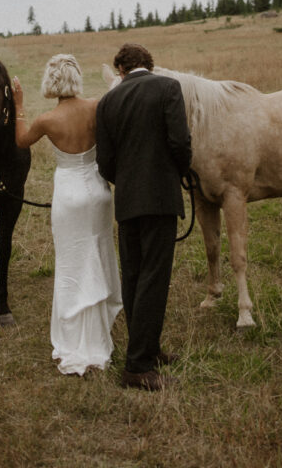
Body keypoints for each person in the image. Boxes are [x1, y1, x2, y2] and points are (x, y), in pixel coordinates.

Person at [13, 54, 122, 376]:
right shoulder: (96, 107)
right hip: (100, 192)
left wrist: (18, 105)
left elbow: (21, 141)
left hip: (69, 194)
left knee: (72, 261)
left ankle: (76, 338)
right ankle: (100, 328)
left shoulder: (48, 120)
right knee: (99, 254)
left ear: (51, 82)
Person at [96, 43, 191, 391]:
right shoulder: (168, 88)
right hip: (160, 197)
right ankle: (137, 367)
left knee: (134, 276)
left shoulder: (108, 101)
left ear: (120, 69)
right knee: (154, 277)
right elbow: (180, 142)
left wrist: (130, 182)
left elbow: (104, 161)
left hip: (128, 200)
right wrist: (179, 173)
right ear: (149, 65)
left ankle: (146, 350)